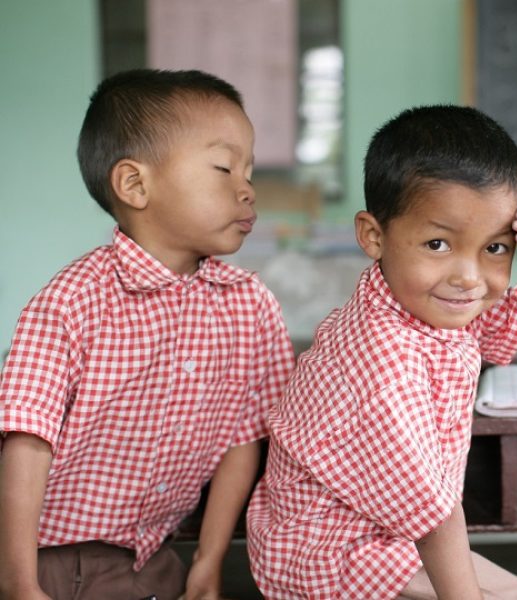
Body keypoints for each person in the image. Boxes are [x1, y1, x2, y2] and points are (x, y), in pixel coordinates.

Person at [245, 105, 517, 599]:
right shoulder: (381, 356)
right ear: (373, 236)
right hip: (326, 550)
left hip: (392, 535)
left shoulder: (435, 303)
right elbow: (433, 514)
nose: (468, 277)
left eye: (495, 249)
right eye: (437, 243)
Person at [0, 69, 296, 600]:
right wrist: (18, 582)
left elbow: (243, 441)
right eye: (224, 167)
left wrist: (207, 564)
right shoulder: (71, 302)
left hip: (145, 560)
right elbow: (26, 441)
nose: (247, 188)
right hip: (30, 552)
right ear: (135, 184)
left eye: (248, 170)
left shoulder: (251, 307)